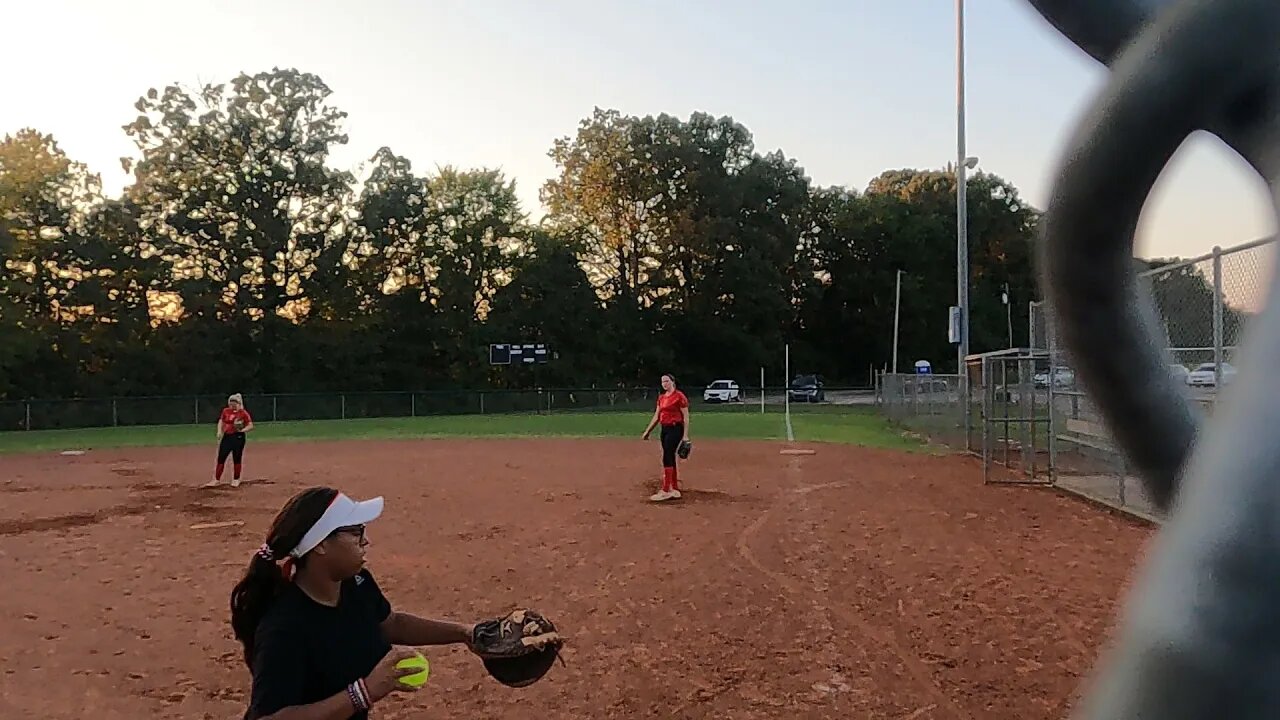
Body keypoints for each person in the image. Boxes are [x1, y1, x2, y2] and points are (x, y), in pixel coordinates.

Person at [230, 486, 482, 720]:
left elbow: (389, 623)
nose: (365, 541)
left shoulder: (355, 584)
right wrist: (364, 692)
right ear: (321, 545)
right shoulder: (284, 628)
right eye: (356, 532)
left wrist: (464, 632)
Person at [641, 373, 690, 502]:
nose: (664, 384)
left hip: (676, 428)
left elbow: (686, 417)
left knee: (667, 455)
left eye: (667, 381)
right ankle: (674, 488)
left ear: (673, 382)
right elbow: (657, 416)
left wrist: (685, 435)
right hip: (665, 429)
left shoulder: (679, 396)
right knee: (669, 455)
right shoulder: (661, 398)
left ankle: (665, 489)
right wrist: (648, 431)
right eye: (663, 382)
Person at [209, 393, 254, 488]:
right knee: (221, 458)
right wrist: (219, 431)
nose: (232, 404)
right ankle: (216, 479)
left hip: (238, 437)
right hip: (227, 436)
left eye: (235, 402)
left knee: (236, 458)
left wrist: (242, 430)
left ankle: (236, 479)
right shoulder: (226, 411)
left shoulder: (243, 413)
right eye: (231, 402)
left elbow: (250, 425)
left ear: (238, 403)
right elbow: (221, 421)